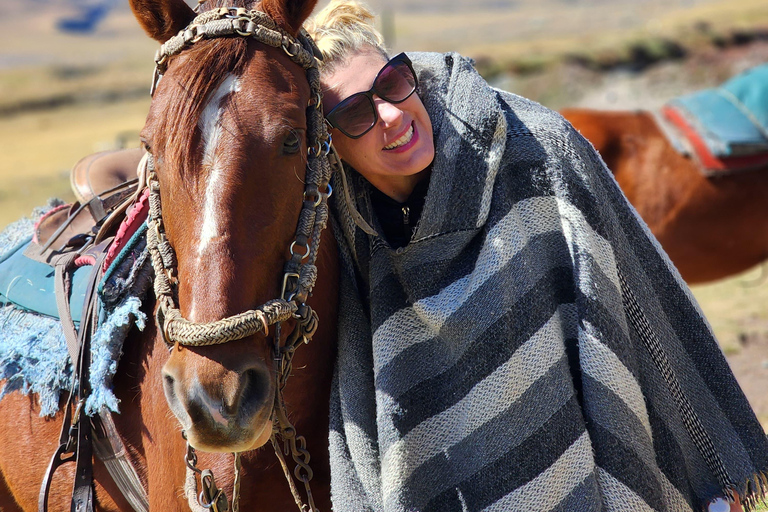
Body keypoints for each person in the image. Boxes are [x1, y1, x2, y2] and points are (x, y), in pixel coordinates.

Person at [304, 2, 768, 512]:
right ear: (329, 142)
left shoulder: (536, 152)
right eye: (354, 113)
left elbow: (638, 305)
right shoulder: (342, 230)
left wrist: (703, 472)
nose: (390, 116)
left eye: (392, 83)